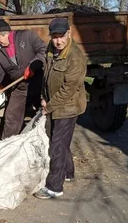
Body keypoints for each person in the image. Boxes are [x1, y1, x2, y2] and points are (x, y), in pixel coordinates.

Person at [34, 18, 87, 199]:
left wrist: (49, 107)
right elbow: (46, 76)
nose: (58, 41)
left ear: (69, 33)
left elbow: (68, 90)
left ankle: (54, 187)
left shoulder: (75, 57)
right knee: (60, 142)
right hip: (52, 104)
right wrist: (43, 97)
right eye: (55, 37)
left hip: (68, 106)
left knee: (57, 145)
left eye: (61, 36)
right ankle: (68, 173)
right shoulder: (51, 49)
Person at [0, 20, 46, 138]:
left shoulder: (27, 36)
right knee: (11, 117)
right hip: (20, 87)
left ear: (6, 33)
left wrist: (33, 66)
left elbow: (43, 51)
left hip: (40, 83)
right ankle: (7, 145)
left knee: (44, 113)